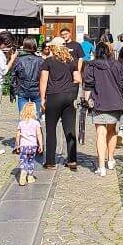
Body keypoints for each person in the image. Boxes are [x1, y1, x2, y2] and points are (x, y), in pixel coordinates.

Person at [83, 41, 123, 176]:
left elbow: (88, 85)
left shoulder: (91, 66)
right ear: (109, 52)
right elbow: (122, 83)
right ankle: (110, 159)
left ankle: (101, 166)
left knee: (100, 134)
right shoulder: (116, 65)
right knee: (112, 131)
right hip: (115, 102)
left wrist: (86, 102)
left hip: (99, 102)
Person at [39, 37, 81, 170]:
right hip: (69, 97)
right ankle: (72, 160)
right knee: (70, 129)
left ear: (53, 48)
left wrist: (42, 99)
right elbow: (78, 78)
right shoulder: (71, 61)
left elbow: (43, 81)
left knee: (51, 129)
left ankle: (50, 161)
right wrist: (70, 89)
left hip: (53, 96)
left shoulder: (48, 62)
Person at [10, 36, 43, 117]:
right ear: (35, 46)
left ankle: (24, 129)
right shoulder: (41, 60)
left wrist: (13, 93)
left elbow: (13, 77)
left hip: (22, 90)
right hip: (37, 91)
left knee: (23, 117)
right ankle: (36, 129)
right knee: (36, 117)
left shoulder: (19, 60)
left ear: (24, 46)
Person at [15, 101, 43, 185]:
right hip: (33, 146)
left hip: (23, 145)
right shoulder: (36, 123)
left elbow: (17, 135)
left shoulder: (21, 123)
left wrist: (17, 144)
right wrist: (41, 145)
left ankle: (23, 171)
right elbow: (39, 134)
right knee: (31, 161)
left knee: (23, 160)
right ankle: (30, 176)